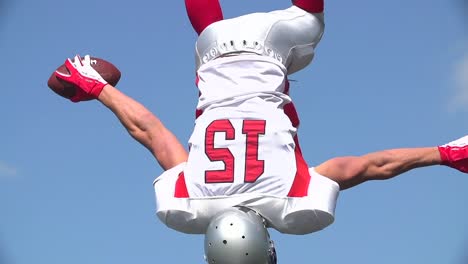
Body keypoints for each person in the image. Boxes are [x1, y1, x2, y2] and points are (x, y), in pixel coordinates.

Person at [52, 0, 468, 263]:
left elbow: (368, 166)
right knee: (207, 30)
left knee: (308, 17)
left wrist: (445, 154)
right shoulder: (188, 205)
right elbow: (151, 132)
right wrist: (97, 87)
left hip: (273, 46)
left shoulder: (293, 204)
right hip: (210, 49)